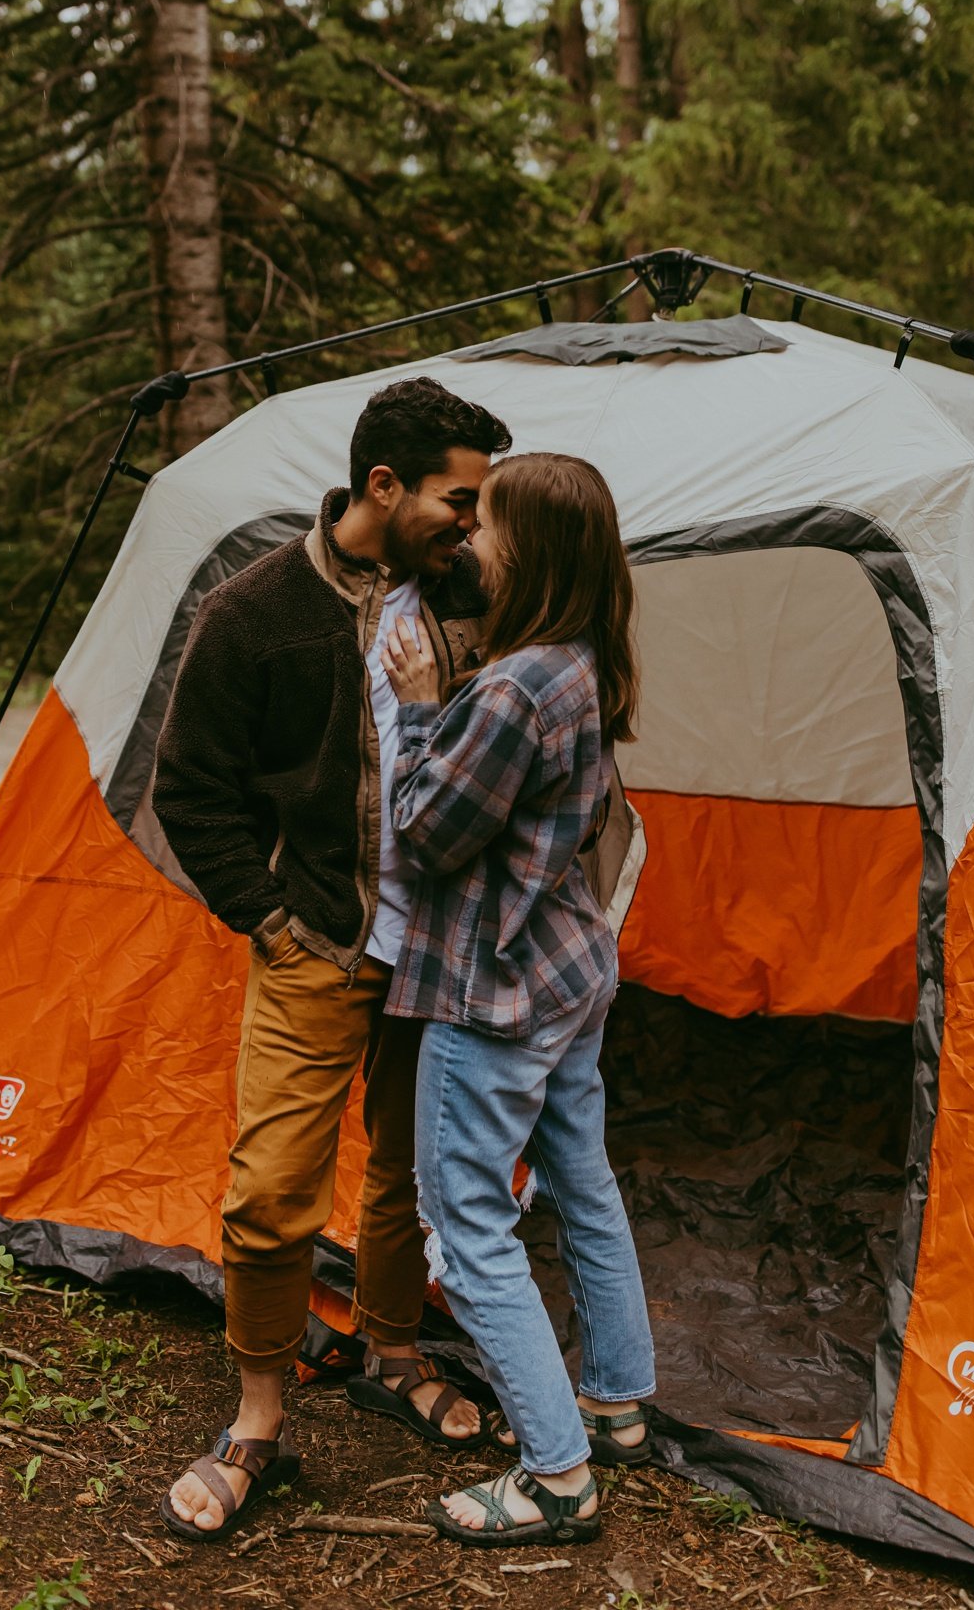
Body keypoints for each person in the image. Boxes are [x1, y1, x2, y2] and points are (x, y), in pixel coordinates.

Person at [153, 376, 513, 1542]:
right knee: (270, 1194)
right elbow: (189, 790)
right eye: (461, 497)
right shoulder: (252, 610)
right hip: (319, 942)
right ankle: (258, 1413)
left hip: (446, 950)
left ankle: (394, 1351)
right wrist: (267, 917)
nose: (474, 518)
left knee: (412, 1174)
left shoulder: (472, 595)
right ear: (383, 486)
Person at [381, 450, 656, 1549]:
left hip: (491, 989)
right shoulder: (584, 661)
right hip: (568, 968)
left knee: (470, 1219)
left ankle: (556, 1475)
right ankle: (620, 1400)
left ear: (530, 549)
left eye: (486, 524)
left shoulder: (511, 685)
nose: (470, 540)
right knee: (583, 1176)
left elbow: (427, 830)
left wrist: (413, 713)